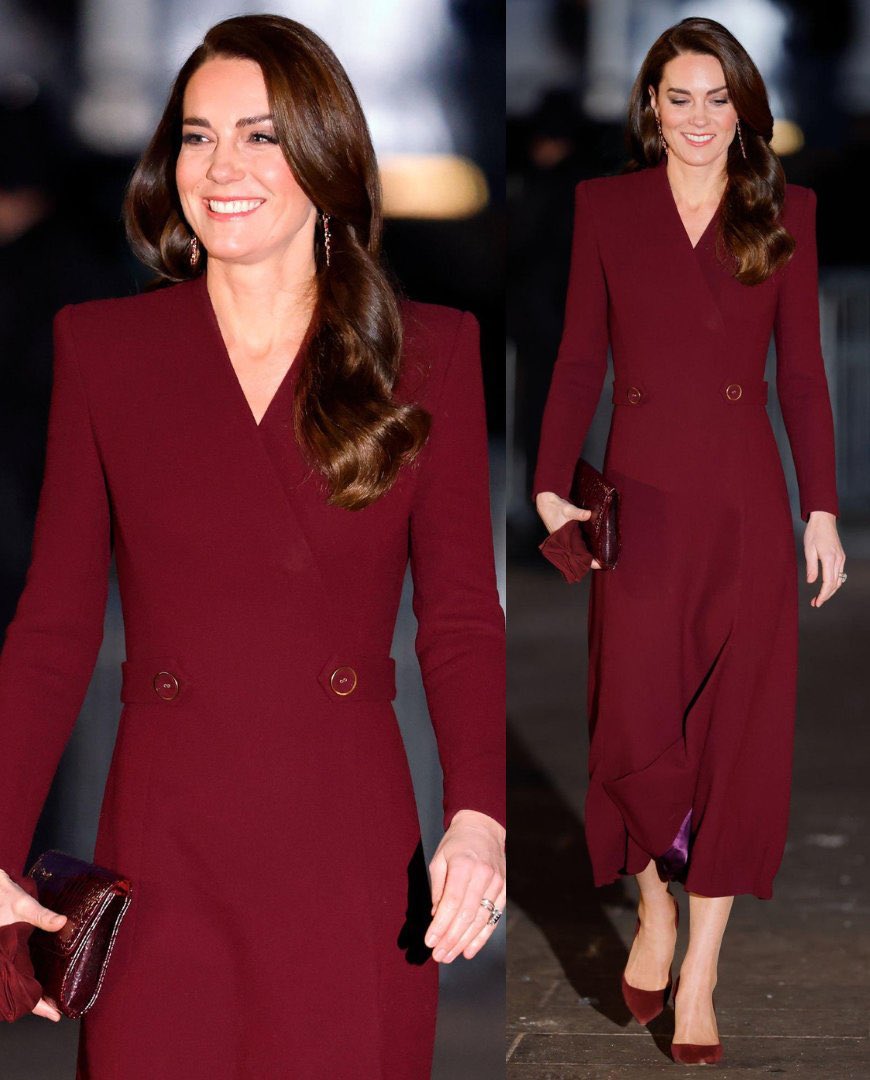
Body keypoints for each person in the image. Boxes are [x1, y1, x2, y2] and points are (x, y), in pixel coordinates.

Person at [0, 15, 505, 1078]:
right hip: (165, 838)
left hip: (347, 838)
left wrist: (479, 814)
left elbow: (459, 618)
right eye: (196, 135)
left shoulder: (431, 354)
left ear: (325, 154)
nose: (220, 167)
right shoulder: (105, 349)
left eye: (262, 137)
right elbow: (51, 628)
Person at [532, 17, 844, 1067]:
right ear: (651, 108)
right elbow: (577, 353)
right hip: (642, 503)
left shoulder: (784, 209)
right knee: (632, 722)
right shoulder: (607, 209)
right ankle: (653, 905)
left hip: (747, 508)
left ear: (744, 109)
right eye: (680, 97)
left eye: (719, 98)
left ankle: (701, 970)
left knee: (738, 737)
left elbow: (802, 375)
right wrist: (546, 480)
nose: (700, 118)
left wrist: (824, 510)